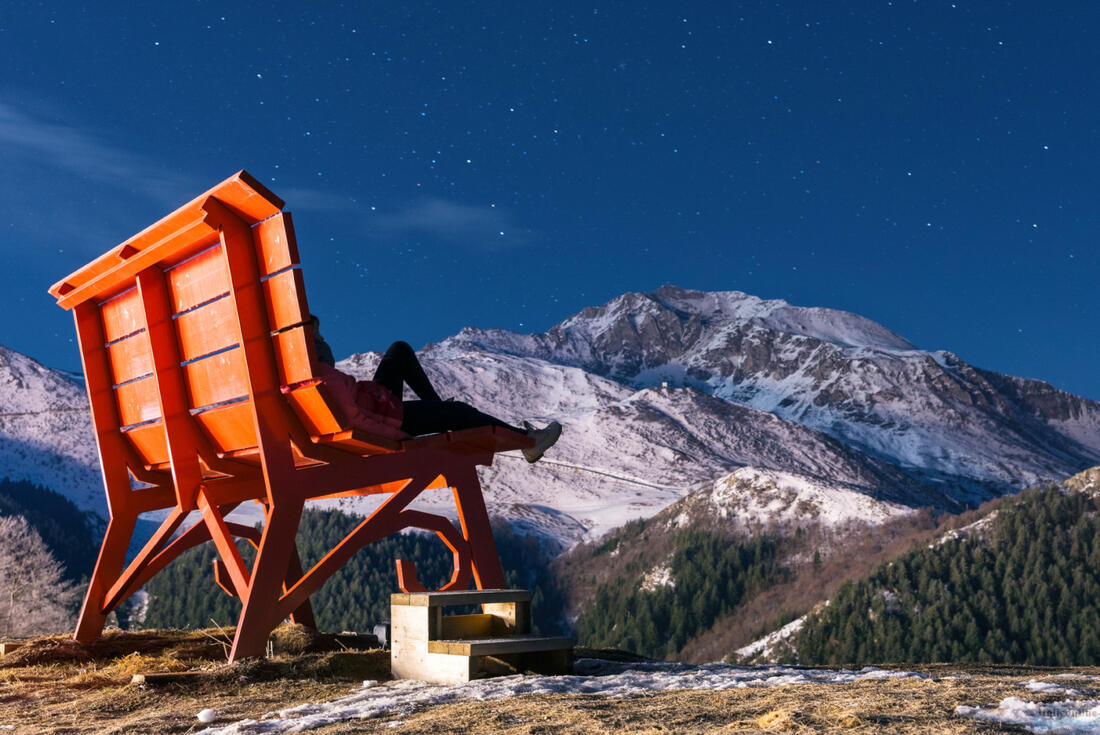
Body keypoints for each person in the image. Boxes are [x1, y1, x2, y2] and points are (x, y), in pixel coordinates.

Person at [309, 316, 562, 463]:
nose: (324, 339)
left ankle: (441, 410)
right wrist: (398, 438)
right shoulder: (323, 377)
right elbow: (357, 422)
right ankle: (529, 443)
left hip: (376, 402)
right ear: (311, 344)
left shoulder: (311, 373)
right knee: (460, 412)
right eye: (319, 337)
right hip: (388, 420)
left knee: (399, 351)